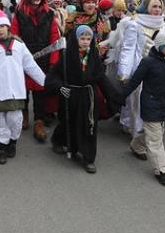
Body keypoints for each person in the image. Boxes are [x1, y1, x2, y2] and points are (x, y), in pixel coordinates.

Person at [0, 10, 45, 167]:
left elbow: (30, 65)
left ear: (8, 27)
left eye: (3, 26)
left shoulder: (19, 45)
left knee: (15, 120)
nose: (0, 30)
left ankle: (12, 142)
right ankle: (1, 149)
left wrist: (46, 82)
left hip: (16, 90)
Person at [47, 25, 122, 174]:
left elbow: (101, 77)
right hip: (70, 95)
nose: (86, 42)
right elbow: (53, 75)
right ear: (76, 39)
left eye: (88, 39)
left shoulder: (94, 55)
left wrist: (115, 96)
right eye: (82, 38)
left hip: (88, 96)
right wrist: (60, 87)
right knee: (69, 122)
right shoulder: (67, 55)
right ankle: (61, 142)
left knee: (89, 126)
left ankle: (88, 158)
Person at [122, 22, 165, 186]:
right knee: (156, 140)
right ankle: (162, 169)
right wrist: (120, 96)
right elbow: (134, 82)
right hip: (150, 104)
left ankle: (137, 145)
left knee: (152, 133)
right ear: (159, 45)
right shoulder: (148, 62)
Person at [10, 0, 60, 141]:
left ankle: (38, 121)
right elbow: (14, 35)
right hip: (23, 58)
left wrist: (53, 61)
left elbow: (54, 38)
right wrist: (15, 58)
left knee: (40, 91)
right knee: (22, 90)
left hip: (43, 59)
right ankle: (24, 115)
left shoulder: (49, 14)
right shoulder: (19, 14)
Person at [115, 0, 165, 137]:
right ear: (146, 7)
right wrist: (124, 71)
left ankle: (138, 125)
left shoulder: (163, 25)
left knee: (151, 101)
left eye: (159, 6)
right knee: (136, 100)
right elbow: (128, 48)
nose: (157, 9)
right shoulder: (134, 24)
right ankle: (136, 130)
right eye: (154, 6)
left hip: (157, 70)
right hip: (139, 67)